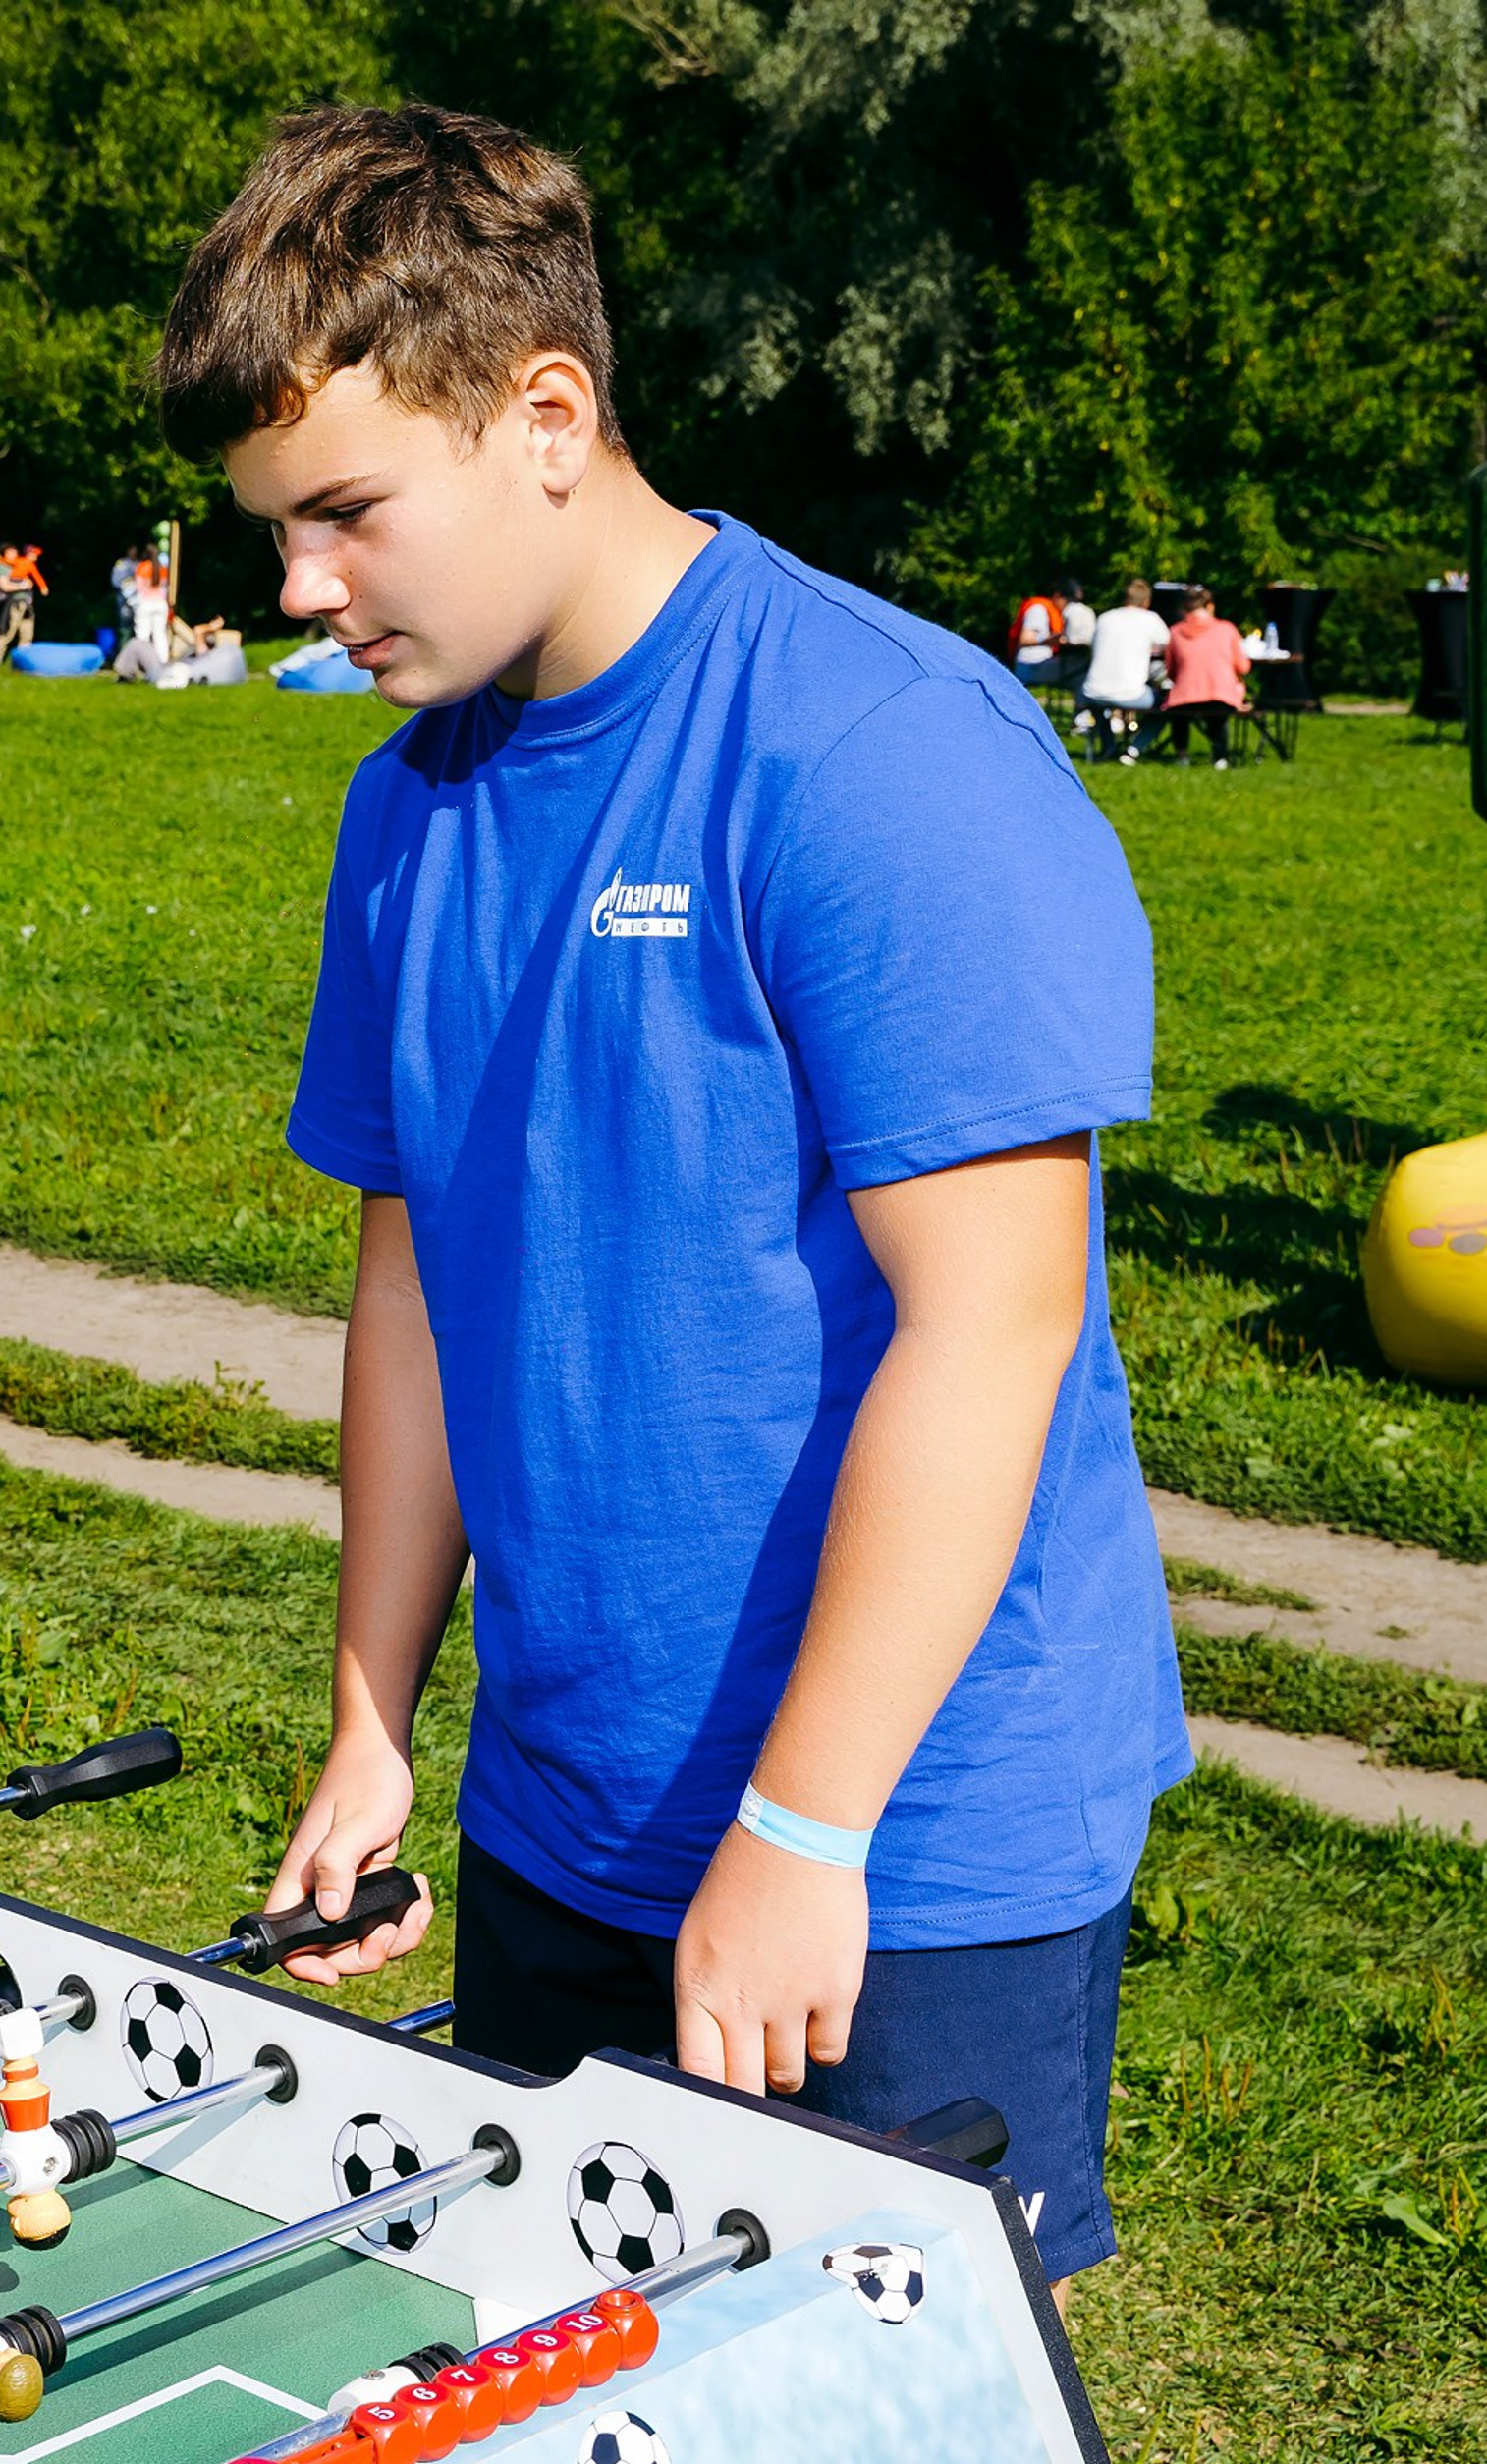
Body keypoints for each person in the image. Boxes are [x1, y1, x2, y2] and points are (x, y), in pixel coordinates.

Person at [156, 103, 1179, 2301]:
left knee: (885, 2440)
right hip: (560, 1810)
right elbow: (412, 1282)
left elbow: (988, 1325)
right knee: (555, 2388)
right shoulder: (399, 814)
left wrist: (803, 1831)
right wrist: (367, 1716)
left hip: (907, 1836)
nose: (298, 592)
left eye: (340, 513)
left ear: (543, 416)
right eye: (269, 532)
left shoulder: (877, 750)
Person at [1080, 576, 1173, 763]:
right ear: (1146, 602)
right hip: (1131, 693)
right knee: (1167, 706)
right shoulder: (1151, 619)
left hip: (1092, 691)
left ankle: (1108, 746)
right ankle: (1133, 750)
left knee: (1098, 703)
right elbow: (1169, 646)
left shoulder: (1105, 618)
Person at [1162, 586, 1253, 767]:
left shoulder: (1175, 631)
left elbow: (1170, 671)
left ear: (1184, 609)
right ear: (1210, 606)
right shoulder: (1227, 629)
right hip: (1221, 696)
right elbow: (1243, 667)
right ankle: (1220, 757)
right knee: (1218, 716)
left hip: (1184, 697)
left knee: (1179, 716)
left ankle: (1182, 756)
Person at [1007, 583, 1067, 685]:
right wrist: (1053, 639)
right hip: (1030, 666)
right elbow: (1025, 639)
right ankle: (1090, 699)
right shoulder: (1038, 609)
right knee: (1079, 669)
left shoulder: (1046, 609)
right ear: (1057, 596)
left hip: (1037, 664)